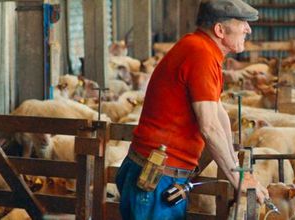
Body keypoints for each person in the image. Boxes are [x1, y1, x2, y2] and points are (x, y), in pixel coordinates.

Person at [114, 0, 268, 219]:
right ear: (220, 30)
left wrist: (237, 168)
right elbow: (210, 126)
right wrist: (238, 178)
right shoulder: (200, 55)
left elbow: (218, 113)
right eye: (242, 23)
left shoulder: (201, 49)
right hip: (156, 180)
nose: (248, 29)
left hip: (158, 175)